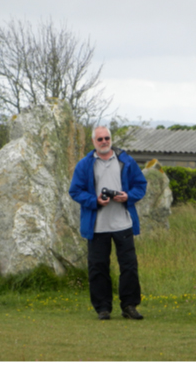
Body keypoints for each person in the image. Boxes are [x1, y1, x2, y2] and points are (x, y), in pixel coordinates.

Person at [69, 125, 148, 321]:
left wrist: (127, 196)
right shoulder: (84, 165)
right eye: (100, 139)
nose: (104, 142)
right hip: (97, 226)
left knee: (129, 267)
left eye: (107, 138)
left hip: (123, 223)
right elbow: (75, 191)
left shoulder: (126, 161)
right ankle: (103, 308)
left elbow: (141, 185)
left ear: (110, 139)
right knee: (98, 268)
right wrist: (94, 201)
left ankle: (129, 306)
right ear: (93, 142)